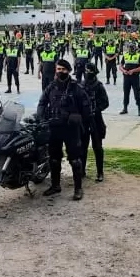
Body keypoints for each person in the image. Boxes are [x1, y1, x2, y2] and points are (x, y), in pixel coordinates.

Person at [36, 59, 90, 200]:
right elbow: (42, 103)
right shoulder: (51, 86)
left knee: (75, 160)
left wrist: (78, 118)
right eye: (58, 69)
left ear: (69, 71)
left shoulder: (76, 87)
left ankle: (78, 189)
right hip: (54, 128)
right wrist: (42, 119)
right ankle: (55, 185)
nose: (60, 72)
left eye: (63, 69)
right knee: (54, 159)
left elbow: (87, 108)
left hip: (71, 130)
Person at [80, 63, 109, 182]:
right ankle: (81, 171)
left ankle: (100, 172)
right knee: (82, 146)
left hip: (96, 120)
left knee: (97, 147)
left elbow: (105, 102)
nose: (87, 74)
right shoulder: (80, 85)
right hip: (84, 120)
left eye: (89, 72)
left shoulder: (99, 86)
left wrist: (96, 109)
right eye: (86, 71)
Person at [118, 42, 140, 116]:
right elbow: (120, 66)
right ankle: (125, 108)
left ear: (135, 48)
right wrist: (124, 71)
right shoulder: (125, 55)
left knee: (137, 93)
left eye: (132, 48)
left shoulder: (139, 56)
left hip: (135, 78)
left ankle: (139, 109)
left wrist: (133, 71)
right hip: (126, 77)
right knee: (126, 93)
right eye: (129, 48)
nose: (130, 49)